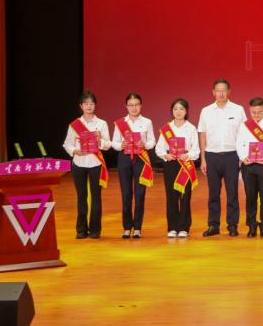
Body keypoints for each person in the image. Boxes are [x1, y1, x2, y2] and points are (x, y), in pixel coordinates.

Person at [197, 78, 247, 237]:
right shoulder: (206, 111)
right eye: (218, 91)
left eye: (224, 90)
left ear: (229, 91)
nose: (221, 93)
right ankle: (213, 225)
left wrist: (241, 156)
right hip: (211, 156)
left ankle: (232, 225)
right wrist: (203, 158)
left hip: (232, 156)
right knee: (213, 193)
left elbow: (244, 133)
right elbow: (202, 135)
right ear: (213, 92)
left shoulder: (238, 109)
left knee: (232, 192)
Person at [63, 90, 111, 239]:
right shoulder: (75, 125)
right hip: (79, 163)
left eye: (91, 103)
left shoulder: (101, 124)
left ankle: (95, 230)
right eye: (86, 103)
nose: (89, 106)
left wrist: (99, 140)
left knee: (96, 197)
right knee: (81, 197)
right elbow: (67, 143)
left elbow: (107, 145)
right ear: (81, 106)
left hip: (96, 163)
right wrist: (75, 151)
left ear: (95, 105)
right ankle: (81, 230)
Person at [111, 92, 156, 239]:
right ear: (126, 106)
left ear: (141, 105)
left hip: (141, 159)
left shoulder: (147, 122)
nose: (134, 108)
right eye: (131, 105)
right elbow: (114, 142)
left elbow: (152, 141)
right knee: (126, 194)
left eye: (136, 104)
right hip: (124, 158)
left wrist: (145, 144)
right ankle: (126, 227)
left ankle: (137, 228)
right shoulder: (120, 123)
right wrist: (121, 145)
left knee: (140, 194)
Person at [155, 98, 200, 238]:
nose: (178, 112)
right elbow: (159, 148)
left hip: (185, 164)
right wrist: (165, 155)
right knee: (171, 196)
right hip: (171, 164)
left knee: (185, 197)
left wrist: (188, 155)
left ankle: (184, 227)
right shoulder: (166, 128)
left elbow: (196, 150)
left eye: (181, 109)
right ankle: (172, 227)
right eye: (175, 109)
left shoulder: (191, 128)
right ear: (172, 111)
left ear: (186, 111)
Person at [236, 97, 263, 237]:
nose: (256, 115)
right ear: (249, 111)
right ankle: (251, 225)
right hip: (248, 166)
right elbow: (239, 143)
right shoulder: (244, 125)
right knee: (250, 196)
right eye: (254, 112)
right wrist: (243, 157)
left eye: (260, 112)